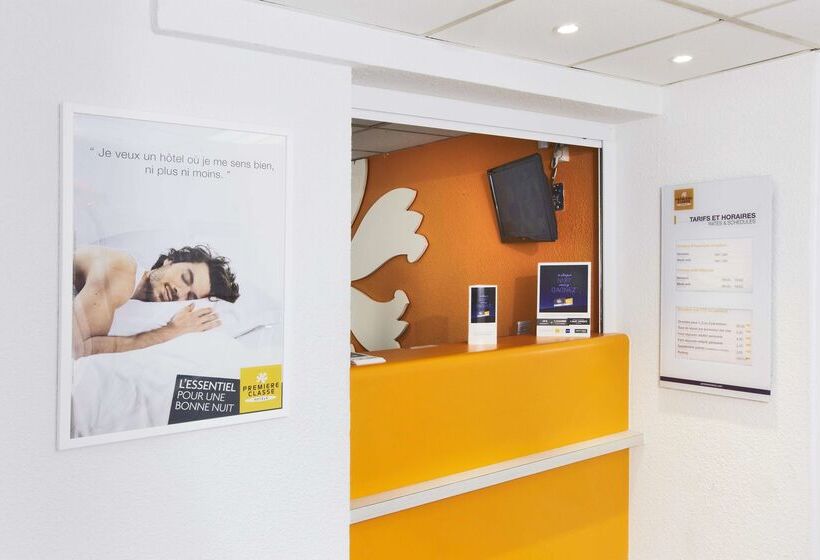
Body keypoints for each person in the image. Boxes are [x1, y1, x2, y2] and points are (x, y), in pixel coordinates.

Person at [72, 244, 239, 358]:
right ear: (170, 261)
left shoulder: (134, 296)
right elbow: (75, 349)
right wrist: (171, 331)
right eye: (185, 277)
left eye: (190, 297)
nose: (179, 292)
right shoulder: (122, 270)